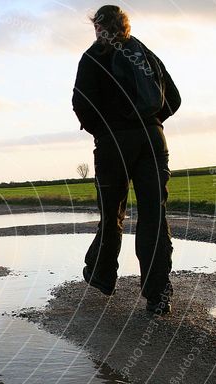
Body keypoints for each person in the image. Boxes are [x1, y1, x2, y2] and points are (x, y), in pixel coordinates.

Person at [72, 6, 181, 315]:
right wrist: (151, 122)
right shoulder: (144, 53)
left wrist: (103, 131)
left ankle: (102, 277)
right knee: (154, 218)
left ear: (98, 28)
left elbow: (80, 102)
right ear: (125, 26)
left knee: (112, 214)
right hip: (151, 140)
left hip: (112, 143)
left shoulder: (92, 57)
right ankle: (157, 297)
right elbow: (173, 98)